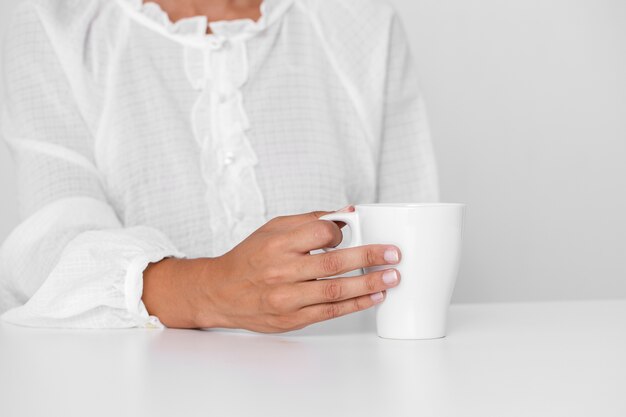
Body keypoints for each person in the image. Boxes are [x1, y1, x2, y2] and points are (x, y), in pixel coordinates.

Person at [0, 0, 439, 331]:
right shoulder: (56, 21)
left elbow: (420, 245)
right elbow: (49, 249)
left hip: (350, 395)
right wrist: (210, 287)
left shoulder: (360, 21)